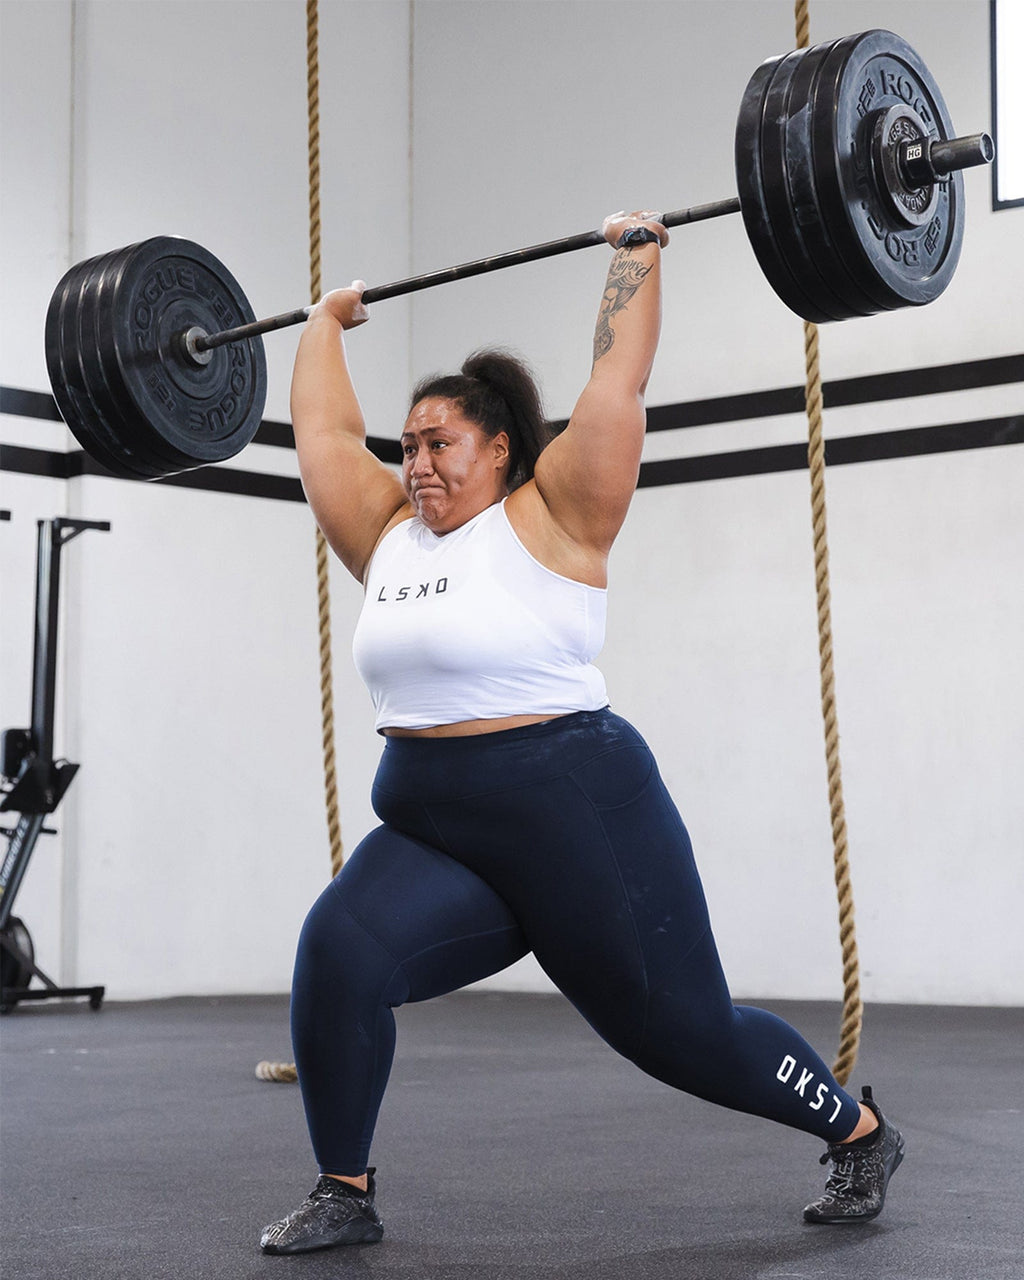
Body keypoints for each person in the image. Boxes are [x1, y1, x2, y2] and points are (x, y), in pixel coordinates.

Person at [259, 212, 905, 1256]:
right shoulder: (384, 533)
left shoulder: (552, 514)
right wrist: (325, 323)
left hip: (577, 812)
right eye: (409, 443)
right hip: (433, 824)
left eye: (440, 443)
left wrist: (635, 255)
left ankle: (858, 1131)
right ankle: (345, 1185)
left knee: (683, 1034)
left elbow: (614, 386)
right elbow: (325, 437)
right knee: (339, 950)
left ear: (500, 445)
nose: (415, 461)